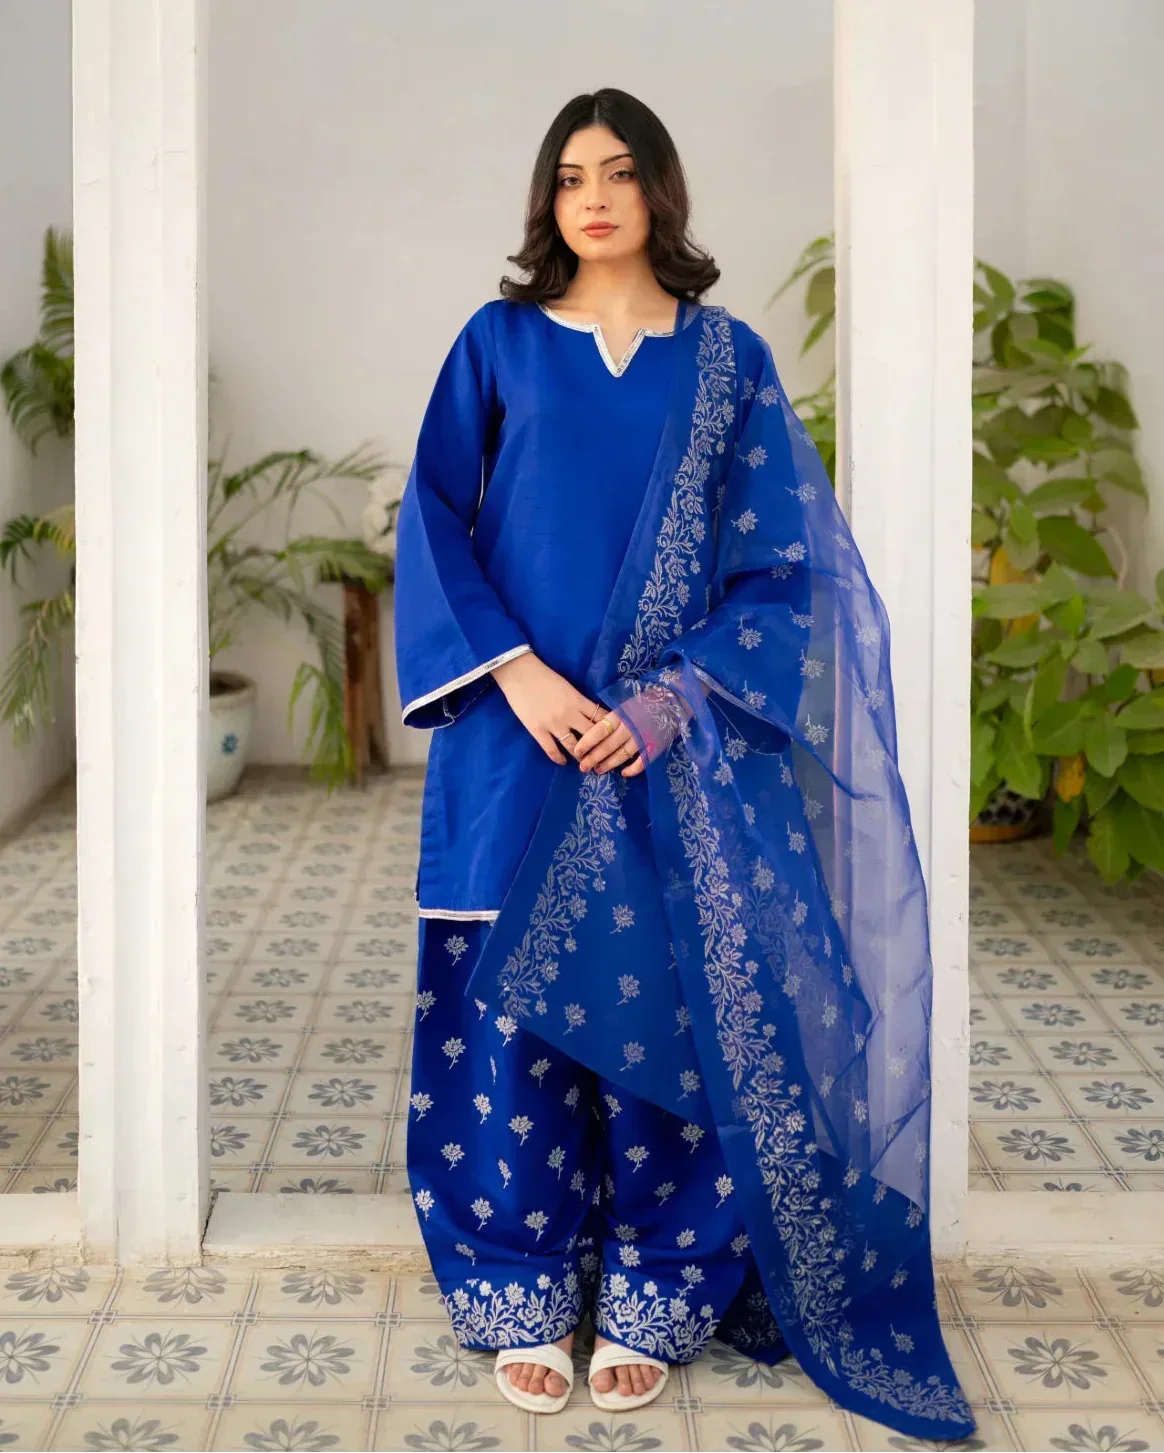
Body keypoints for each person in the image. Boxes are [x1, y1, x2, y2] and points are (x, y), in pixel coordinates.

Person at [393, 86, 976, 1441]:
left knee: (670, 1014)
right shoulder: (497, 345)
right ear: (548, 201)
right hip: (517, 735)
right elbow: (433, 521)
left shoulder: (729, 362)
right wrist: (525, 677)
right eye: (568, 176)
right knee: (509, 1015)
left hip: (672, 757)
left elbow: (782, 575)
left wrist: (663, 709)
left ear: (661, 190)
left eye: (619, 172)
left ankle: (660, 1281)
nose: (591, 197)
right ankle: (518, 1276)